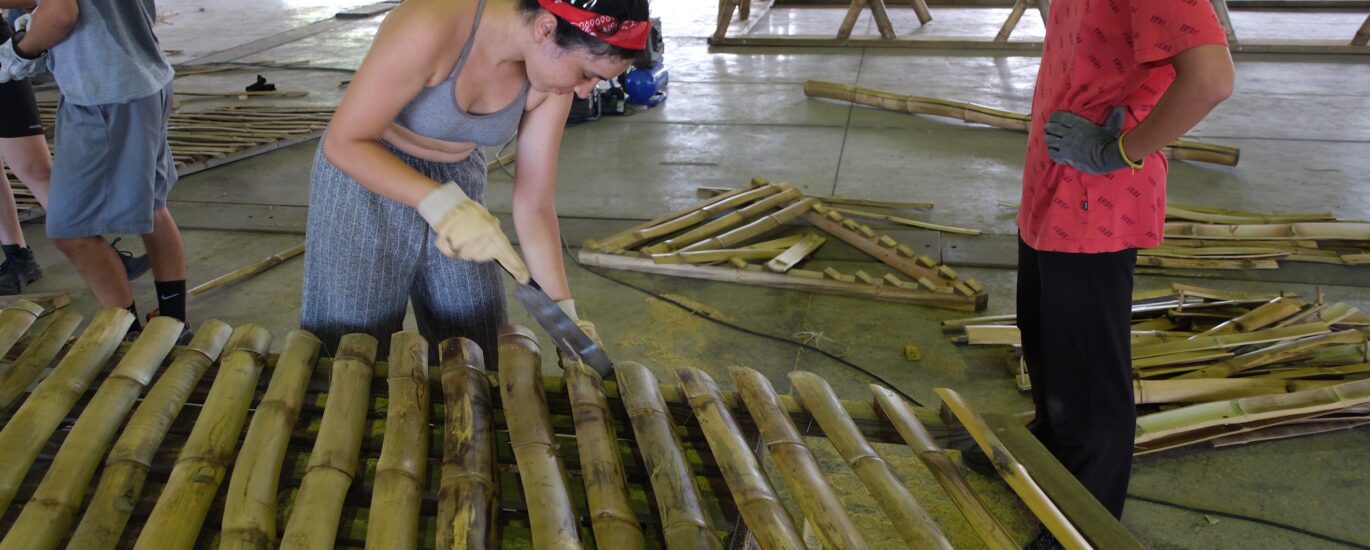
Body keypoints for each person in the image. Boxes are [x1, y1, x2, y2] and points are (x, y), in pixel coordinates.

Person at [967, 1, 1236, 547]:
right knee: (1043, 332)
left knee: (1088, 375)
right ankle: (1049, 443)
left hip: (1099, 199)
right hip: (1054, 177)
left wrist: (1120, 150)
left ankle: (1083, 521)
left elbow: (1211, 79)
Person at [301, 0, 650, 361]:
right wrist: (435, 201)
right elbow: (345, 142)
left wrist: (564, 310)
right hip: (367, 182)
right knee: (350, 352)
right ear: (546, 29)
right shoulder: (432, 23)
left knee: (477, 351)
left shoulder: (551, 81)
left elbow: (534, 205)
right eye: (587, 73)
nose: (585, 90)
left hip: (459, 187)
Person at [1, 0, 185, 333]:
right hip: (144, 78)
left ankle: (125, 334)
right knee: (154, 206)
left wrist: (21, 50)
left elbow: (61, 13)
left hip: (107, 93)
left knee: (70, 230)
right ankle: (174, 321)